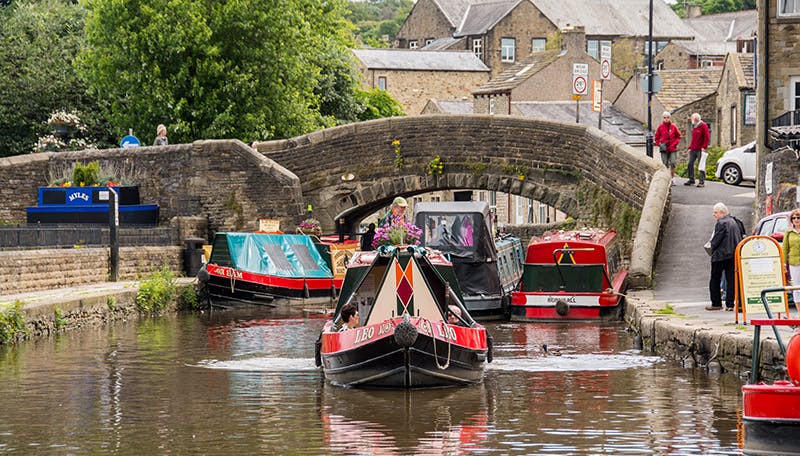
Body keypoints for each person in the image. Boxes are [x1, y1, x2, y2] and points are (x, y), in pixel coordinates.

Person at [707, 202, 744, 311]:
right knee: (731, 280)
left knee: (715, 279)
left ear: (722, 212)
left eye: (715, 212)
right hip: (733, 255)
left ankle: (716, 303)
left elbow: (716, 240)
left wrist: (711, 247)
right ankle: (730, 305)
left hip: (720, 256)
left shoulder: (721, 223)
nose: (714, 215)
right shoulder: (734, 221)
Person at [654, 111, 681, 186]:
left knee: (672, 163)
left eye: (667, 117)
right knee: (665, 164)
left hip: (672, 148)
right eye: (664, 118)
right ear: (663, 118)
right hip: (664, 149)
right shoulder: (660, 127)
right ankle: (666, 180)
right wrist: (660, 144)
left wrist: (675, 144)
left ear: (670, 118)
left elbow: (678, 136)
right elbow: (656, 138)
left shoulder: (673, 126)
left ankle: (672, 179)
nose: (666, 119)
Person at [685, 113, 710, 188]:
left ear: (696, 119)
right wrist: (690, 147)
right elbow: (693, 139)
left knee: (701, 165)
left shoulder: (703, 126)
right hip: (693, 149)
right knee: (690, 164)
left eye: (692, 119)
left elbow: (707, 137)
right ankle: (691, 179)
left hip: (700, 149)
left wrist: (704, 147)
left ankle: (701, 182)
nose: (691, 120)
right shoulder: (695, 126)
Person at [783, 209, 800, 314]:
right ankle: (799, 312)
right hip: (794, 262)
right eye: (794, 218)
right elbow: (785, 248)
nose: (796, 220)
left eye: (798, 217)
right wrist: (784, 263)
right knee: (796, 287)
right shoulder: (788, 232)